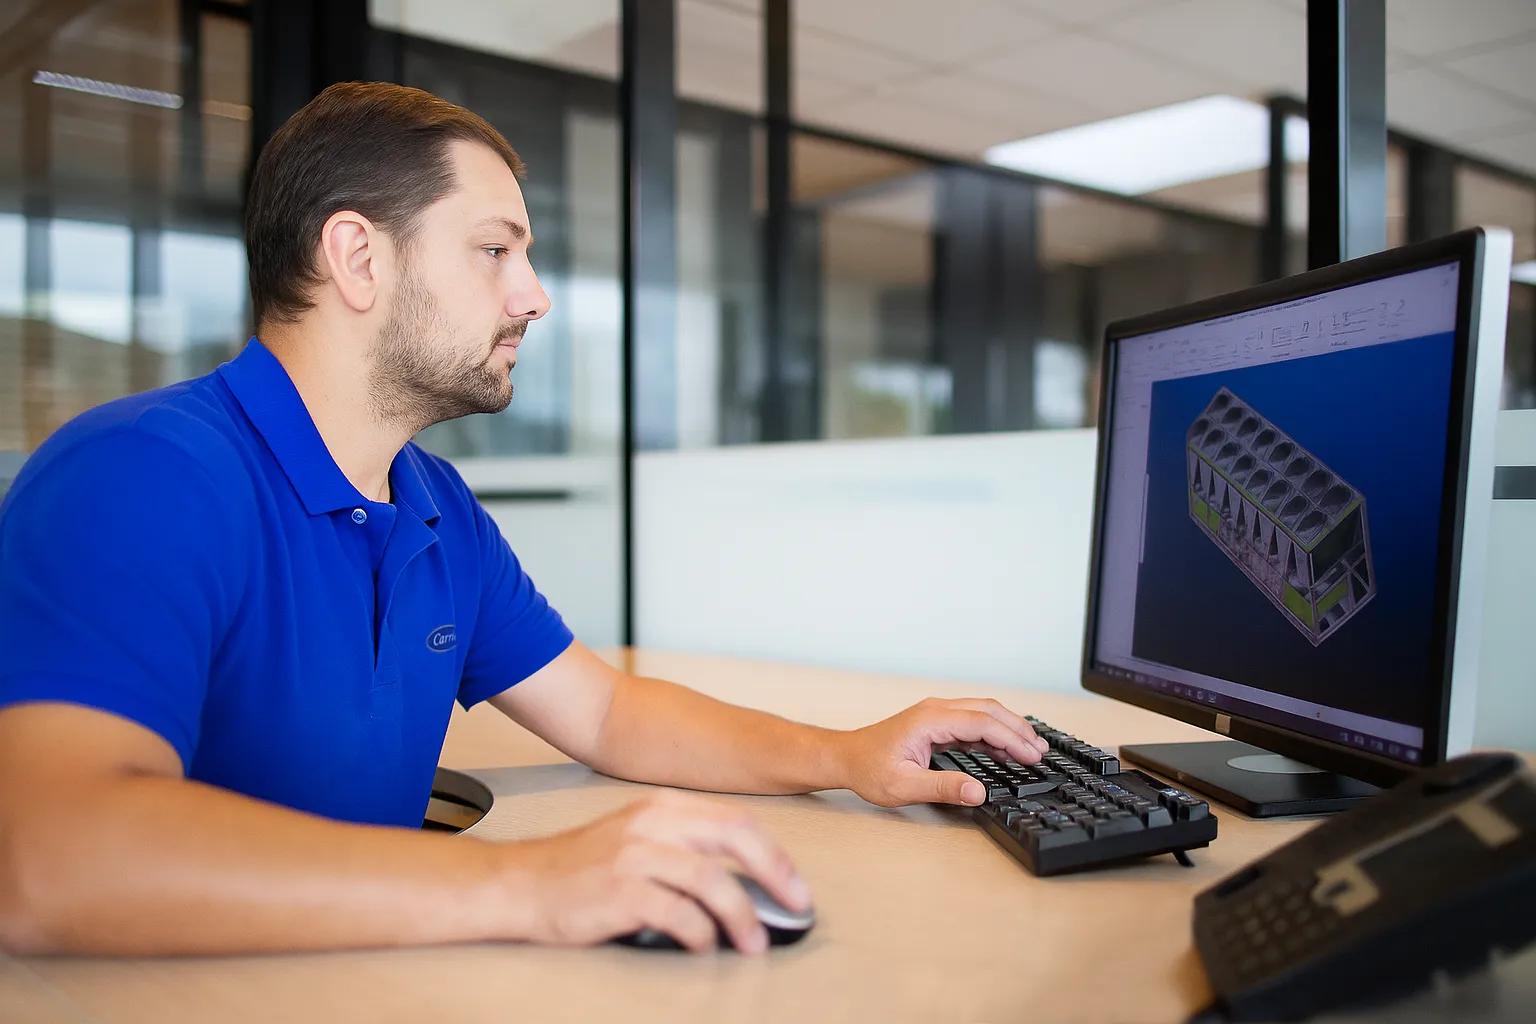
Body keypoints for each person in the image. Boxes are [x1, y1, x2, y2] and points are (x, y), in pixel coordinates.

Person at [0, 82, 1047, 958]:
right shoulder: (142, 474)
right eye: (495, 250)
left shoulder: (433, 504)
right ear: (358, 258)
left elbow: (607, 714)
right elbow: (51, 859)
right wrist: (530, 884)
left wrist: (848, 756)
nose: (535, 296)